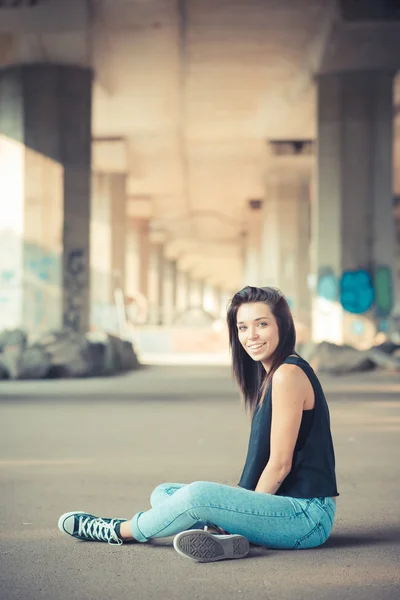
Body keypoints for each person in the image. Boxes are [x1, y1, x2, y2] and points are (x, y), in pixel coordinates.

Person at [58, 286, 339, 562]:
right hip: (284, 507)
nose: (251, 335)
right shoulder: (272, 375)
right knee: (165, 494)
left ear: (282, 326)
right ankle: (224, 539)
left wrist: (242, 509)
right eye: (242, 327)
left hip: (306, 516)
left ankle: (118, 530)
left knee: (196, 496)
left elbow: (280, 465)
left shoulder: (288, 375)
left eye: (261, 324)